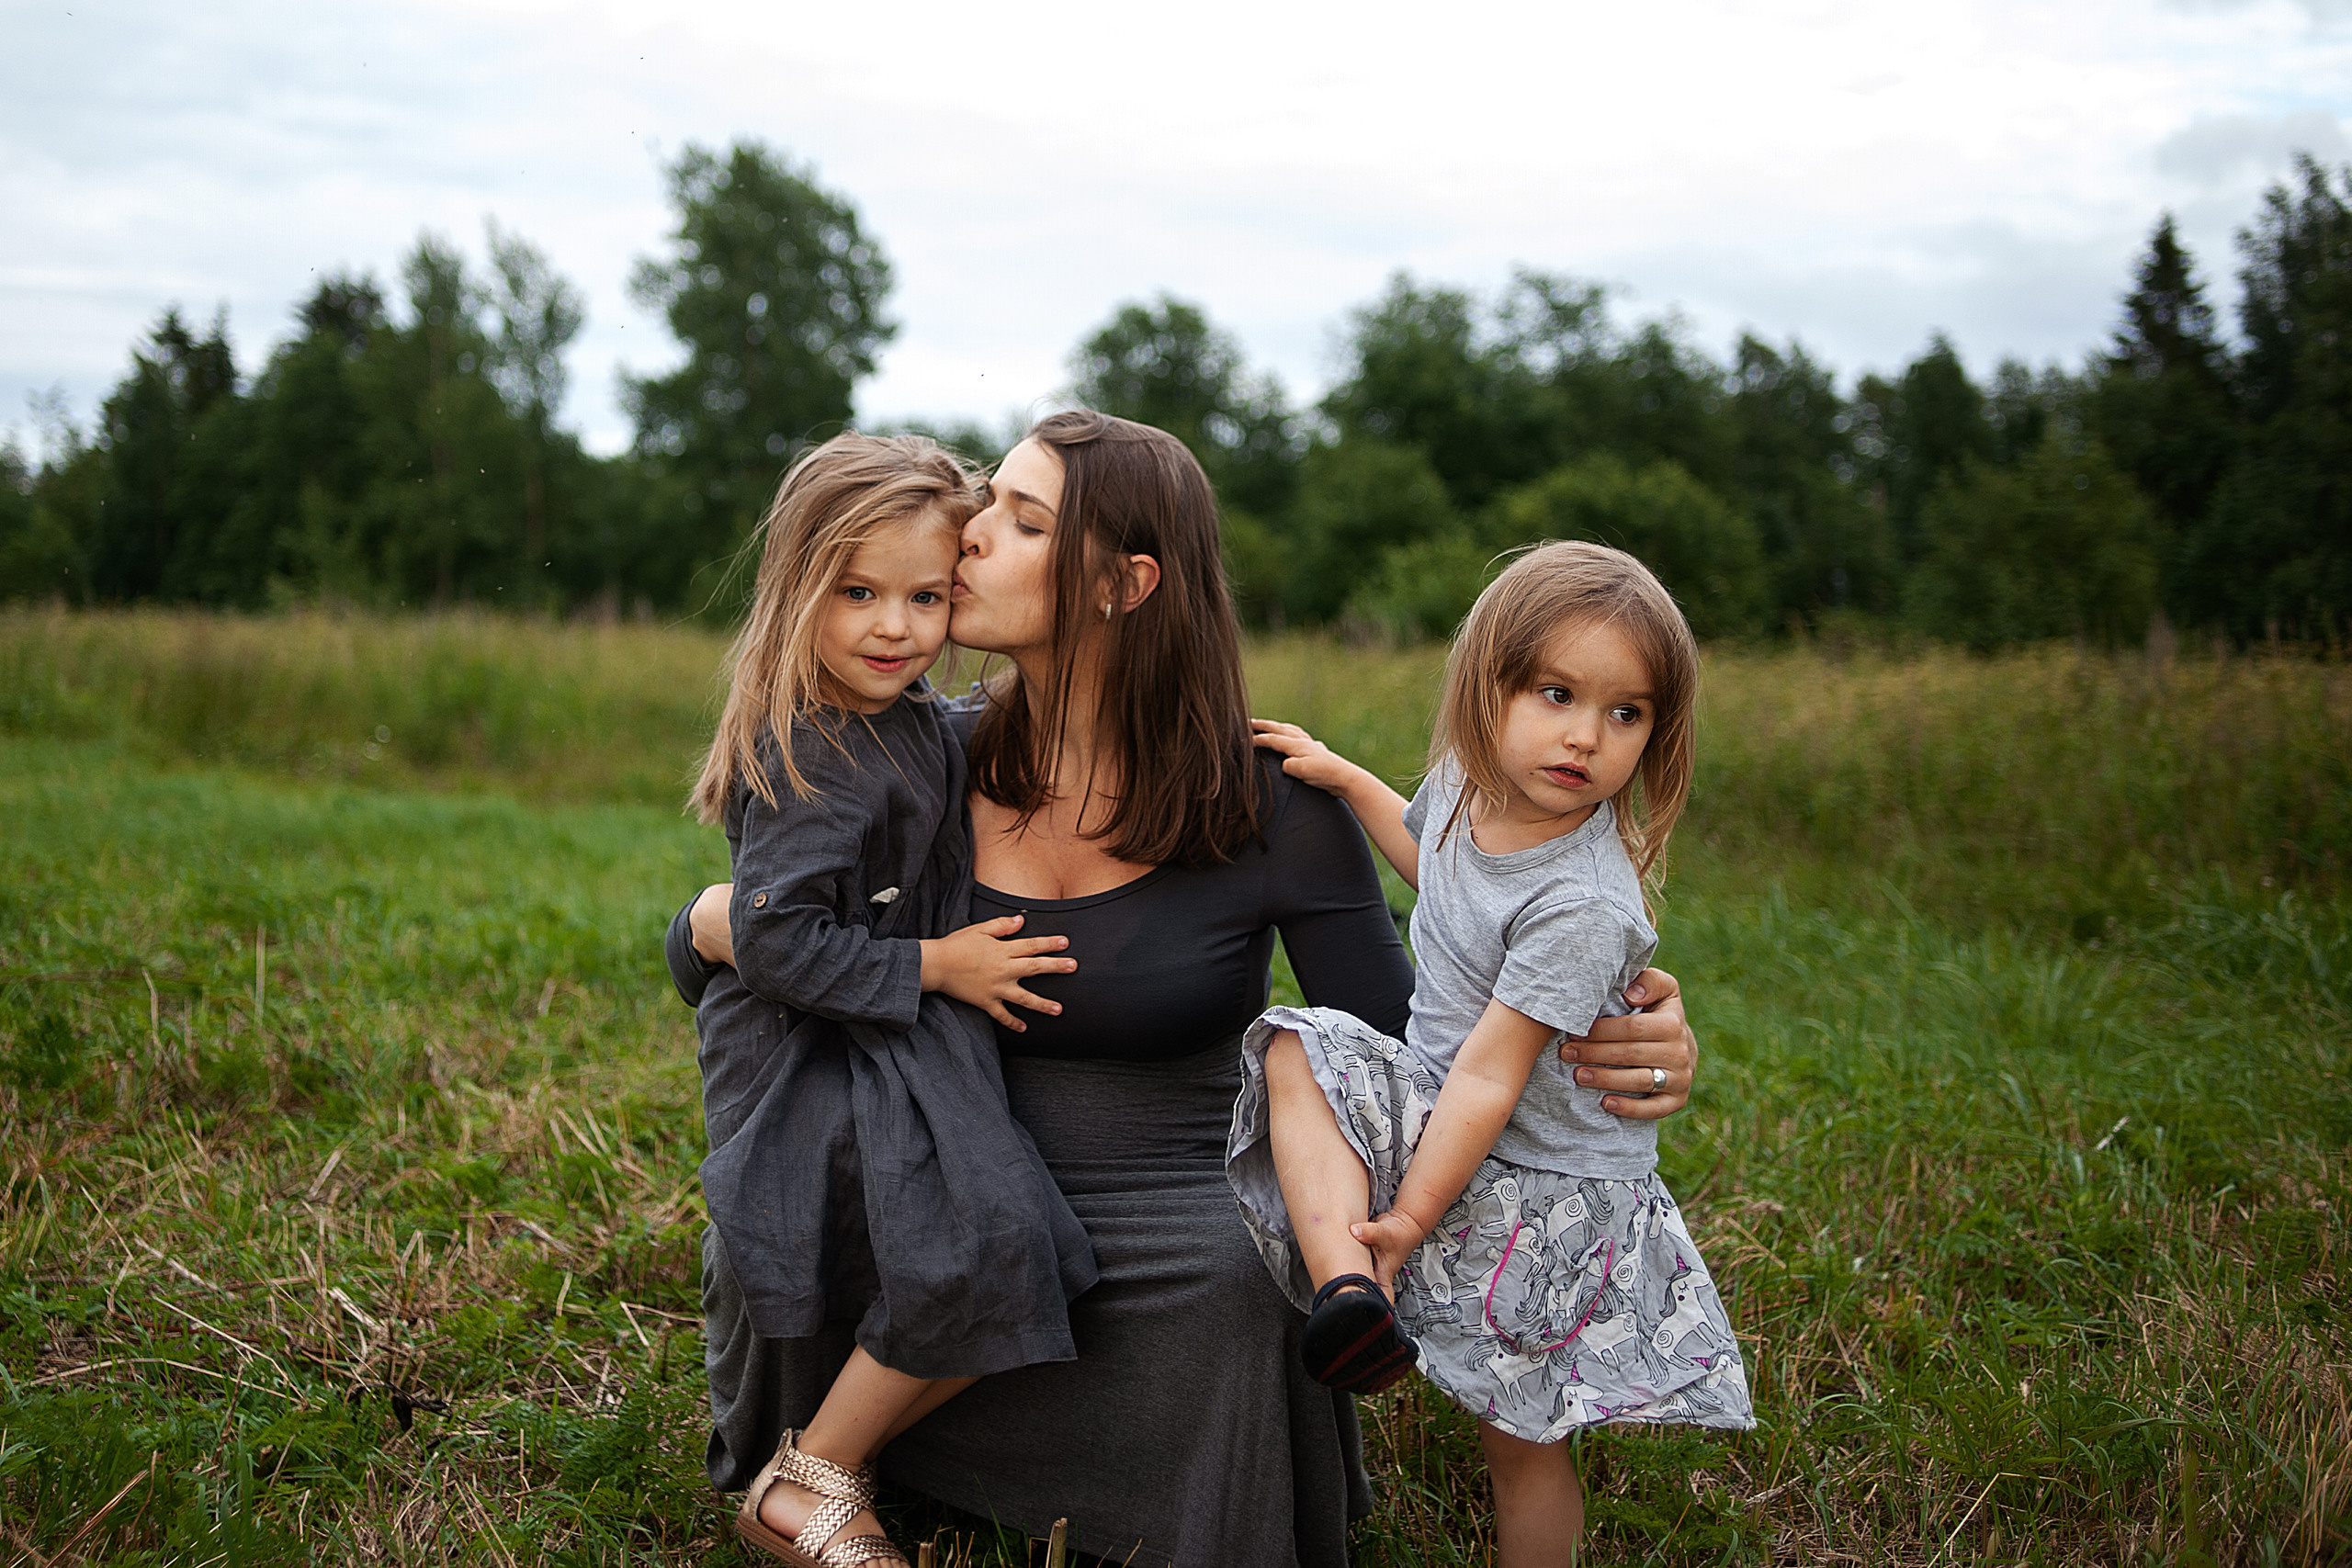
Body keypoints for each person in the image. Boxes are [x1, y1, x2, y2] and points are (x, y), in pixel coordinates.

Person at [669, 411, 1705, 1568]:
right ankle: (834, 1461)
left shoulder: (1271, 802)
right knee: (829, 1218)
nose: (969, 536)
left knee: (1236, 1284)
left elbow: (1406, 1043)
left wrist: (1610, 1028)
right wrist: (702, 927)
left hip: (1171, 1182)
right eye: (986, 505)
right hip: (948, 1151)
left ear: (1125, 584)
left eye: (1021, 520)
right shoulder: (923, 753)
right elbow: (776, 928)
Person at [1230, 541, 1753, 1568]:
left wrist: (1411, 1218)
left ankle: (1376, 1256)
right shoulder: (1470, 784)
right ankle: (1351, 1294)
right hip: (1454, 1111)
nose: (1584, 736)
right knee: (1297, 1044)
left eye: (1625, 713)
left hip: (1542, 1179)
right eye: (1557, 694)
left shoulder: (1580, 904)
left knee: (1522, 1440)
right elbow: (1438, 869)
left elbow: (1490, 1073)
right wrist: (1344, 778)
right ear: (1489, 686)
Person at [682, 432, 1098, 1568]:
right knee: (971, 1234)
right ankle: (809, 1477)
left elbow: (964, 733)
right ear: (798, 589)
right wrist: (936, 967)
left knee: (1014, 1239)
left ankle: (822, 1463)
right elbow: (774, 939)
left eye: (926, 596)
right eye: (858, 593)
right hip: (807, 1046)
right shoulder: (812, 750)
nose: (895, 629)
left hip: (888, 1037)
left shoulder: (906, 717)